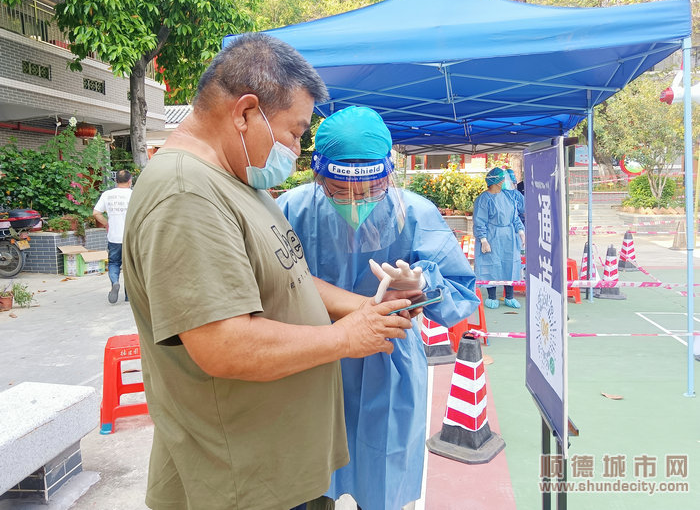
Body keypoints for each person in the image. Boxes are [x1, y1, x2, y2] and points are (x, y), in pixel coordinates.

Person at [122, 34, 418, 510]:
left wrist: (363, 307)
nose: (297, 150)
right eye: (295, 132)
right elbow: (223, 344)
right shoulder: (186, 194)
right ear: (244, 112)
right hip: (241, 481)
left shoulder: (238, 179)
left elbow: (290, 275)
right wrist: (346, 338)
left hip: (279, 470)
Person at [277, 106, 480, 510]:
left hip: (388, 365)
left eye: (370, 189)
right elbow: (271, 284)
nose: (356, 201)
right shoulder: (290, 210)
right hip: (312, 358)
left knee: (382, 478)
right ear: (317, 175)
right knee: (307, 482)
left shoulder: (416, 213)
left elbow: (460, 295)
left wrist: (424, 285)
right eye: (339, 188)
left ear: (389, 174)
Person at [473, 167, 525, 309]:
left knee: (511, 265)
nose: (504, 182)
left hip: (509, 237)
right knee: (492, 266)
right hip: (492, 237)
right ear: (496, 182)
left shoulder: (508, 196)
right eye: (501, 180)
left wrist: (520, 230)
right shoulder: (484, 199)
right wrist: (483, 239)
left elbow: (514, 216)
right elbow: (480, 220)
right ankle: (491, 297)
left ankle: (509, 297)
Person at [93, 169, 132, 303]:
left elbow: (96, 213)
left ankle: (115, 282)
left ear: (116, 181)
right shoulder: (133, 195)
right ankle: (128, 296)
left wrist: (106, 224)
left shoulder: (107, 194)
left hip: (114, 237)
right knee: (130, 267)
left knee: (114, 263)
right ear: (130, 181)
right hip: (130, 238)